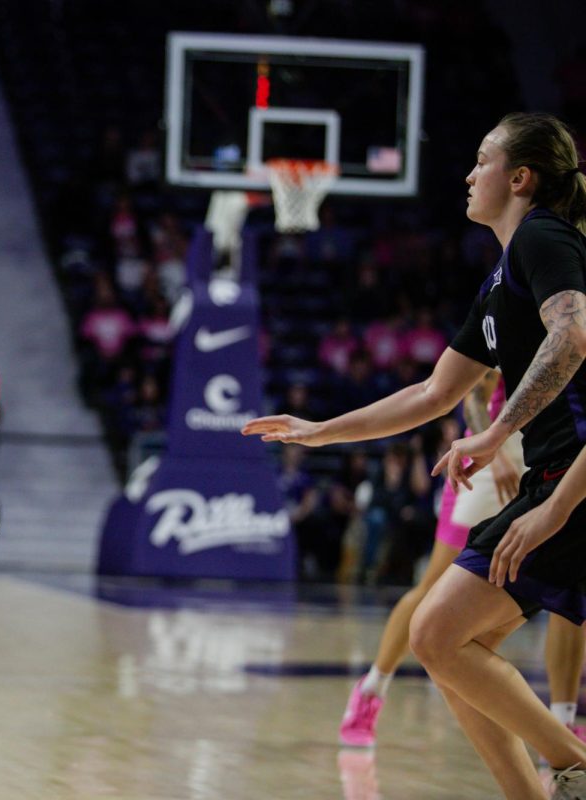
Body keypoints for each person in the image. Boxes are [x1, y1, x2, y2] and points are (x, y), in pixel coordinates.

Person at [244, 112, 586, 798]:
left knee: (438, 635)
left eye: (483, 160)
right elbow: (433, 392)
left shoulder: (544, 238)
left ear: (521, 178)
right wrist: (322, 430)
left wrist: (495, 434)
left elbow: (574, 334)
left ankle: (573, 765)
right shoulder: (500, 277)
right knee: (445, 644)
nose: (467, 173)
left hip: (572, 477)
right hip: (549, 479)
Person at [339, 371, 586, 749]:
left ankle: (564, 721)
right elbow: (474, 396)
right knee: (434, 587)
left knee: (568, 596)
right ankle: (373, 687)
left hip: (559, 455)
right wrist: (499, 453)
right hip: (495, 454)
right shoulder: (533, 314)